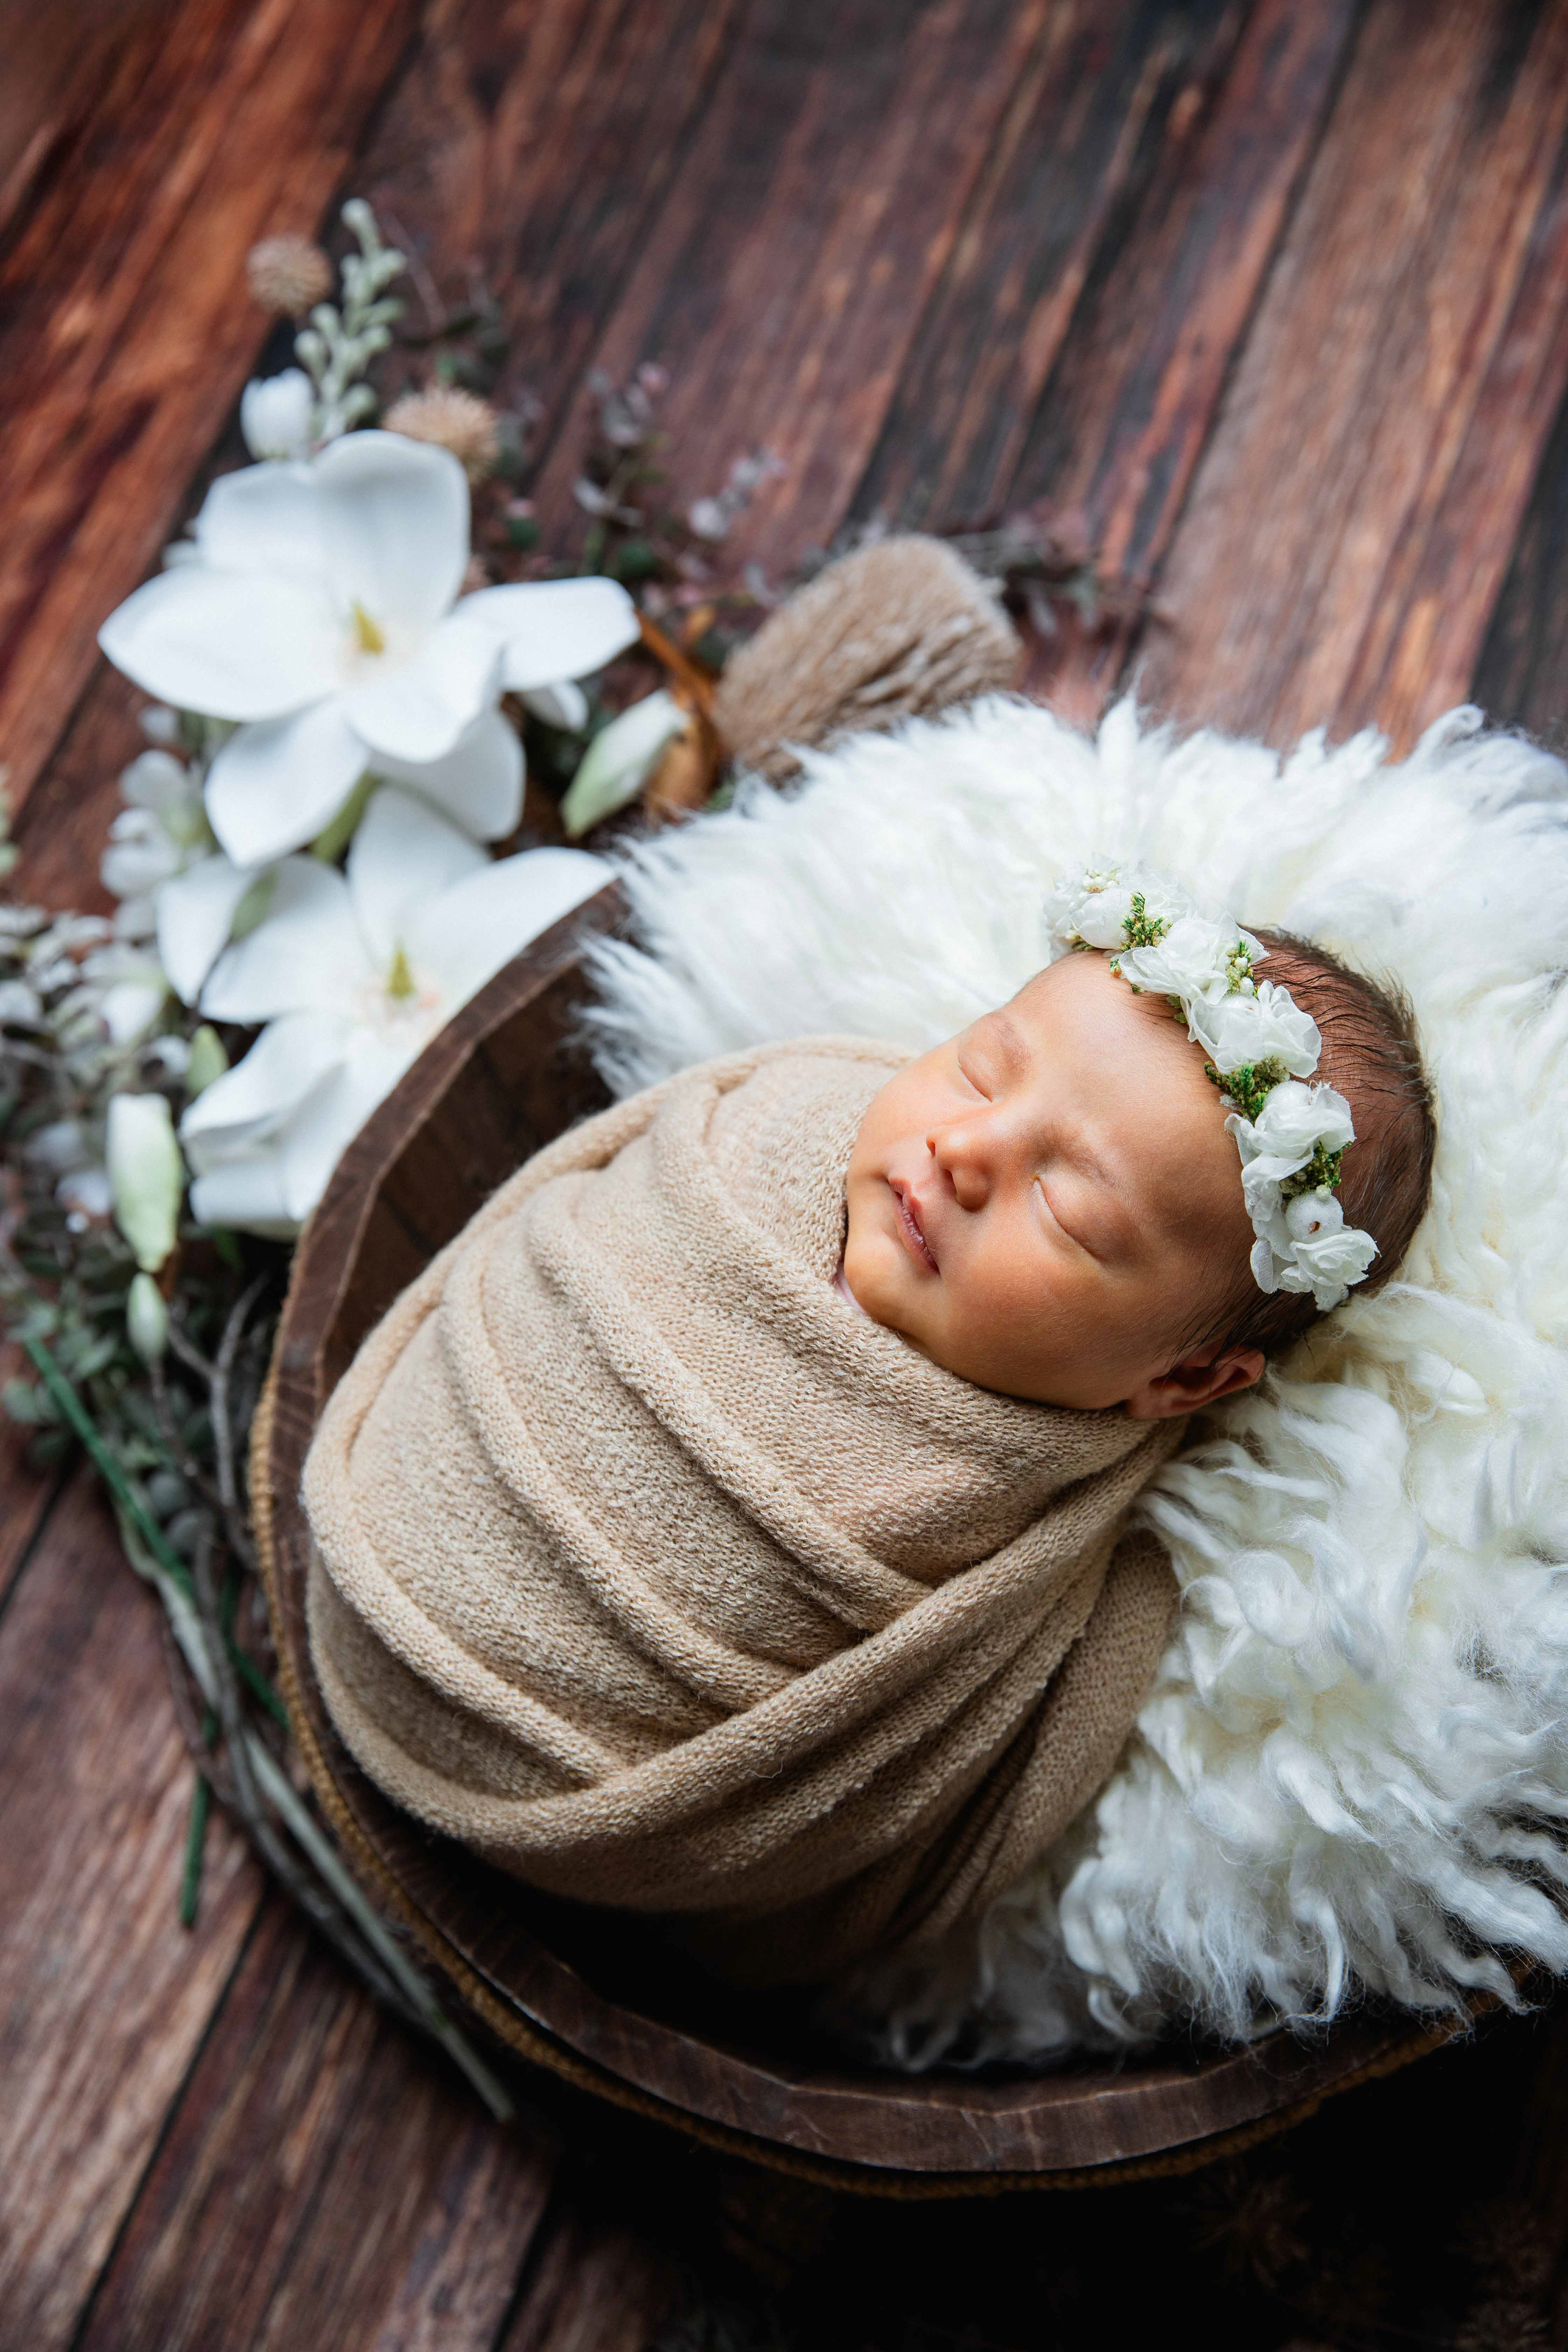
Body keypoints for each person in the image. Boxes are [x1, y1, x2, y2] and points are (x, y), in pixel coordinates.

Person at [302, 866, 1434, 1986]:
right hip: (388, 1523)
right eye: (984, 1069)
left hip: (556, 1793)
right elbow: (589, 1213)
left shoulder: (1013, 1524)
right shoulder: (778, 1133)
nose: (966, 1149)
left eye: (1067, 1206)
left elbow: (951, 1769)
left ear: (1182, 1381)